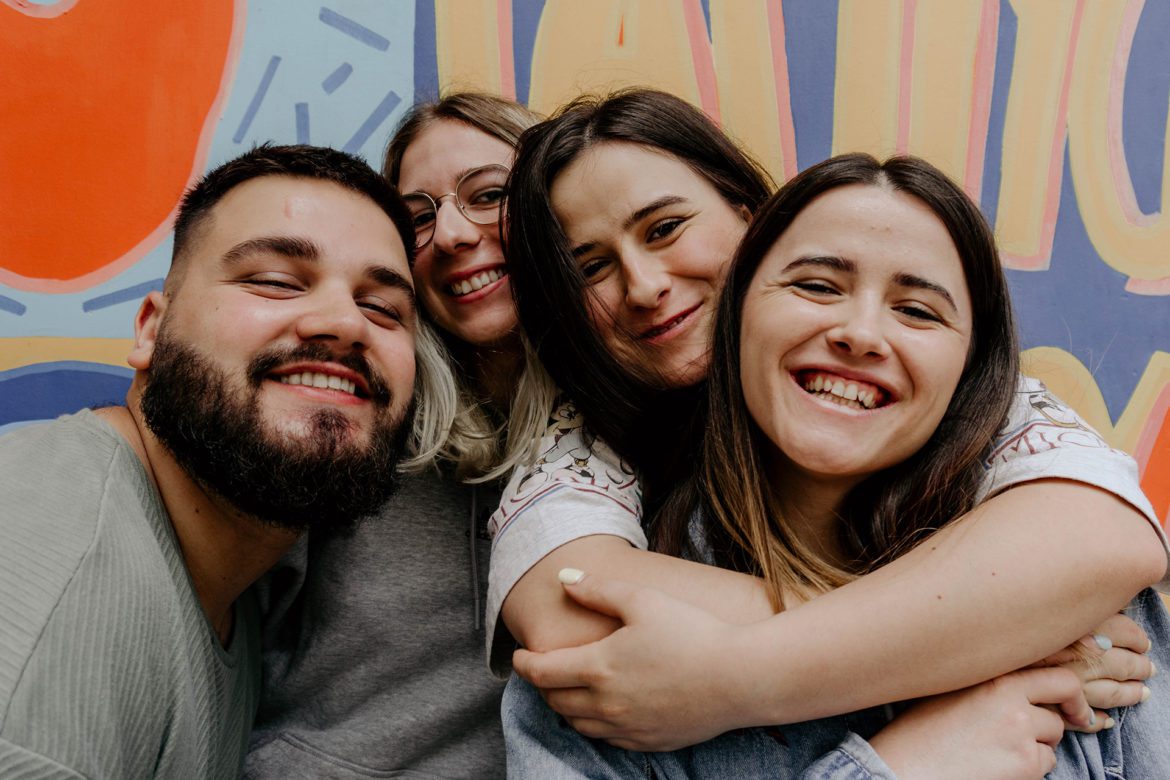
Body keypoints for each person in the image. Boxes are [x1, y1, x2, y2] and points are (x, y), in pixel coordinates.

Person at [492, 89, 1167, 755]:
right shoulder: (583, 442)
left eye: (665, 229)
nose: (643, 285)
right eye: (591, 268)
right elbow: (568, 605)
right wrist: (987, 639)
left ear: (755, 225)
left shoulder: (968, 396)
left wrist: (739, 671)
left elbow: (1107, 538)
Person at [0, 144, 430, 778]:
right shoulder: (58, 604)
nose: (345, 322)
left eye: (384, 309)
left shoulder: (229, 580)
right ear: (150, 329)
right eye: (276, 281)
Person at [246, 93, 555, 779]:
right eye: (418, 219)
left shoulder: (642, 435)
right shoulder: (355, 422)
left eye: (488, 195)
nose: (450, 235)